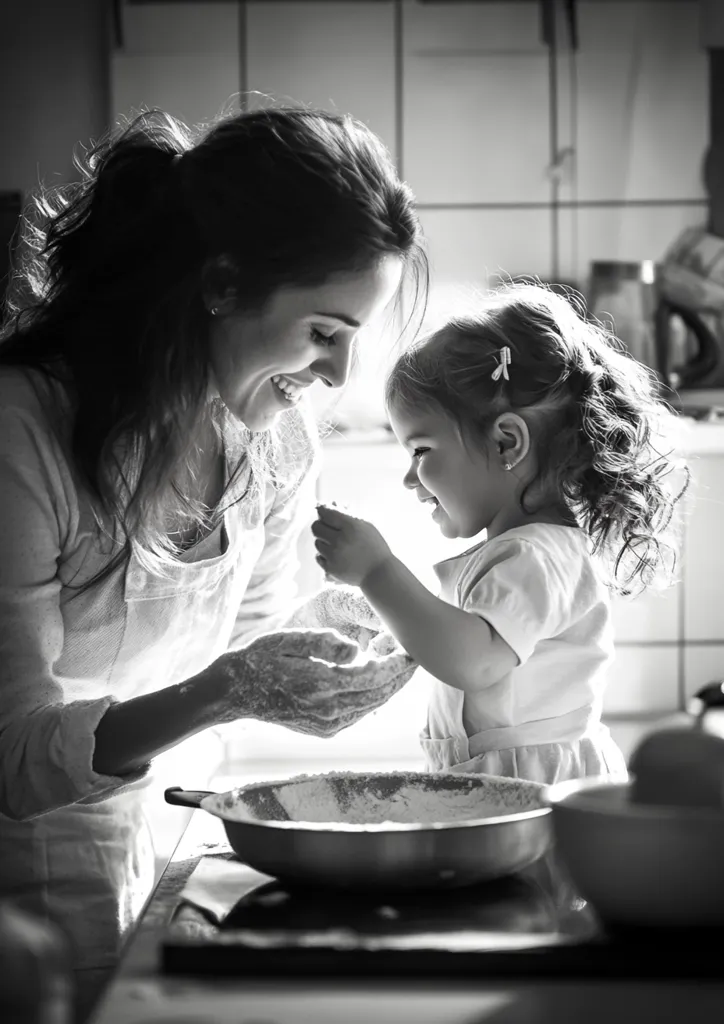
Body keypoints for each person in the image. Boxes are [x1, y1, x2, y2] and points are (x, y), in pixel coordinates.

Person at [0, 105, 426, 1017]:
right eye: (324, 332)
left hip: (176, 859)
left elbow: (251, 642)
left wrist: (328, 645)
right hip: (25, 915)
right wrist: (228, 689)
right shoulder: (22, 431)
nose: (339, 375)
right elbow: (12, 756)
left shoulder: (275, 443)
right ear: (223, 284)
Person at [313, 283, 686, 786]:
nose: (409, 478)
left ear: (507, 441)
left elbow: (473, 661)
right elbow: (467, 647)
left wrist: (377, 572)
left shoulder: (541, 555)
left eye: (421, 450)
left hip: (538, 800)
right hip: (503, 788)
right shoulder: (520, 553)